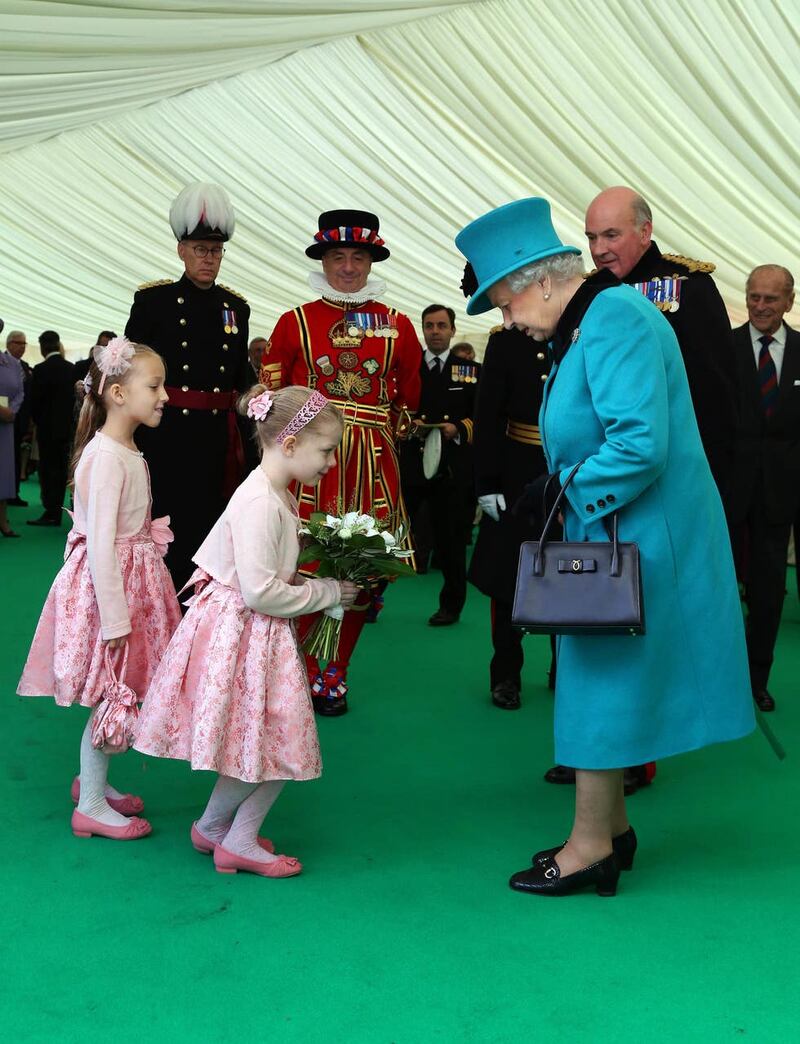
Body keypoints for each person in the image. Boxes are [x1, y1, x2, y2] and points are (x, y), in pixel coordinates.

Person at [456, 197, 754, 897]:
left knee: (599, 681)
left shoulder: (614, 316)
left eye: (502, 300)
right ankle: (611, 830)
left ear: (541, 279)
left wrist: (556, 495)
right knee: (600, 677)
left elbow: (639, 444)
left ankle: (590, 847)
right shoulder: (593, 320)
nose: (504, 317)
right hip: (619, 530)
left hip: (634, 538)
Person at [134, 386, 359, 877]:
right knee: (282, 741)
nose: (331, 464)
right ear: (292, 443)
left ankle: (214, 827)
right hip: (249, 631)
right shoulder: (261, 500)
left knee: (257, 736)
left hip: (251, 632)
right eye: (326, 451)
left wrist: (306, 582)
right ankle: (237, 839)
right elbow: (260, 592)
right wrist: (325, 593)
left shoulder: (270, 490)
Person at [17, 337, 182, 841]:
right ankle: (90, 803)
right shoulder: (107, 456)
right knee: (114, 691)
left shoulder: (125, 450)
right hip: (112, 590)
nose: (164, 396)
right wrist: (115, 617)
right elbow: (104, 545)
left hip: (132, 581)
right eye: (154, 386)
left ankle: (94, 783)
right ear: (115, 392)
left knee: (114, 689)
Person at [259, 209, 421, 715]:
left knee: (361, 570)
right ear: (323, 260)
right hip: (311, 465)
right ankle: (299, 669)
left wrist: (392, 432)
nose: (348, 267)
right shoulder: (295, 321)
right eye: (338, 256)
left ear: (371, 261)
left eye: (358, 256)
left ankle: (334, 672)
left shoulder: (398, 324)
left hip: (371, 466)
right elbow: (271, 396)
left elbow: (409, 398)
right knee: (303, 566)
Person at [125, 182, 251, 591]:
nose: (208, 259)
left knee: (209, 525)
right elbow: (131, 366)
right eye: (200, 249)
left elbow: (238, 377)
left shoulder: (237, 308)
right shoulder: (154, 302)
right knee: (164, 525)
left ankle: (195, 612)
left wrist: (259, 397)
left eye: (216, 251)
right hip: (166, 435)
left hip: (216, 437)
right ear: (182, 250)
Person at [584, 187, 737, 497]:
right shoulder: (587, 293)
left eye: (611, 235)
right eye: (591, 237)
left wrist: (711, 477)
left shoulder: (689, 286)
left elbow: (718, 393)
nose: (599, 249)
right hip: (605, 468)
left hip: (676, 469)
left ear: (645, 232)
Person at [466, 305, 552, 709]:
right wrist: (486, 483)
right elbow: (487, 416)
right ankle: (505, 674)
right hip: (517, 473)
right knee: (509, 581)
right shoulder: (505, 341)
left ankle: (566, 669)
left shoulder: (584, 330)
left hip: (570, 473)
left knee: (572, 570)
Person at [727, 265, 800, 712]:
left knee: (769, 594)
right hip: (727, 493)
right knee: (717, 589)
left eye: (770, 299)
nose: (760, 307)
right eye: (754, 297)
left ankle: (756, 681)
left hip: (781, 497)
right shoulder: (725, 348)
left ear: (789, 302)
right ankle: (717, 676)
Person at [400, 304, 479, 625]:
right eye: (429, 325)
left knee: (451, 541)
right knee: (392, 532)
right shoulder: (406, 367)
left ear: (452, 330)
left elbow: (483, 416)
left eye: (441, 325)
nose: (435, 331)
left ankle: (451, 605)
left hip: (451, 470)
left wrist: (458, 428)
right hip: (412, 464)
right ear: (422, 329)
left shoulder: (471, 371)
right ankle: (369, 599)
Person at [27, 330, 76, 527]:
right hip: (66, 429)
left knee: (47, 469)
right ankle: (58, 510)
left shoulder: (40, 369)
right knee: (61, 470)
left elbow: (35, 402)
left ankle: (51, 511)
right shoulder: (71, 369)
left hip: (47, 429)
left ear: (42, 347)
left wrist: (38, 422)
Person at [4, 330, 31, 507]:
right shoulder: (3, 363)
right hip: (3, 416)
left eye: (24, 344)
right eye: (18, 343)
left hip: (18, 419)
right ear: (8, 344)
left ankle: (13, 493)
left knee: (14, 457)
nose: (22, 347)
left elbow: (26, 395)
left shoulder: (25, 367)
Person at [0, 345, 24, 537]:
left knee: (3, 472)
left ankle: (2, 519)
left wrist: (11, 411)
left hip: (5, 424)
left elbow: (20, 392)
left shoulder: (13, 364)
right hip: (3, 416)